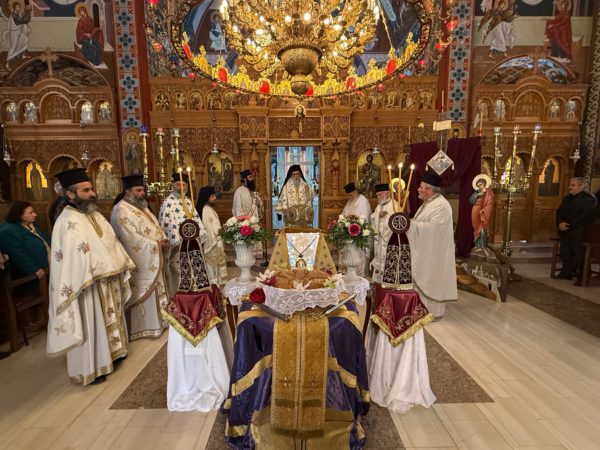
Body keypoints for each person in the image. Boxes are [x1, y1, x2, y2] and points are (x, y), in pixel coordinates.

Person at [46, 168, 135, 385]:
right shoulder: (67, 221)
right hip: (86, 284)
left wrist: (117, 264)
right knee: (90, 322)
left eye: (91, 188)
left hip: (107, 277)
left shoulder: (94, 215)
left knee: (108, 317)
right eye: (86, 190)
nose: (92, 193)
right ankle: (91, 367)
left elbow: (111, 242)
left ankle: (114, 352)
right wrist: (97, 269)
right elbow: (73, 260)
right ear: (70, 194)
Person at [110, 175, 169, 341]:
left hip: (153, 256)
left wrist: (163, 239)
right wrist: (156, 245)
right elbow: (130, 239)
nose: (142, 193)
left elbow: (155, 227)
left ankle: (161, 321)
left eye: (143, 190)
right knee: (144, 289)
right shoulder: (121, 210)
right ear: (127, 192)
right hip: (139, 261)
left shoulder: (142, 207)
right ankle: (145, 327)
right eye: (138, 190)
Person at [406, 173, 457, 319]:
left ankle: (431, 312)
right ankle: (420, 310)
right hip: (426, 251)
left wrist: (411, 224)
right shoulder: (430, 203)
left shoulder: (440, 206)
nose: (418, 189)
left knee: (431, 281)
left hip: (435, 253)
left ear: (429, 190)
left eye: (421, 187)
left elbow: (434, 229)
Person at [159, 173, 207, 296]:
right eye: (178, 185)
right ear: (173, 185)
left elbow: (196, 220)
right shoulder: (168, 202)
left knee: (193, 268)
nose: (181, 188)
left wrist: (199, 236)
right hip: (178, 246)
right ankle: (178, 296)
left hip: (192, 243)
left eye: (184, 185)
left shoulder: (188, 201)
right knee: (178, 270)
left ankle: (193, 292)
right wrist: (176, 242)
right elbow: (167, 224)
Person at [0, 201, 50, 295]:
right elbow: (17, 254)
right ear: (19, 215)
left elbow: (47, 241)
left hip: (48, 269)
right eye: (30, 213)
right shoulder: (8, 230)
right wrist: (34, 269)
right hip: (31, 279)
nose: (35, 215)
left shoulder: (31, 225)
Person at [555, 177, 597, 285]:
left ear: (581, 186)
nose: (569, 187)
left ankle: (583, 276)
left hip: (580, 231)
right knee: (566, 253)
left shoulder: (589, 199)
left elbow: (586, 216)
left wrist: (569, 225)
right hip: (566, 231)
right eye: (570, 184)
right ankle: (566, 273)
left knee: (580, 255)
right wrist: (560, 223)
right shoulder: (567, 198)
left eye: (573, 185)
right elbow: (559, 212)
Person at [197, 185, 228, 285]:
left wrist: (221, 229)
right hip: (212, 242)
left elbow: (214, 225)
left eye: (214, 195)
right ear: (206, 197)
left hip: (216, 240)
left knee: (216, 265)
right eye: (212, 196)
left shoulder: (209, 208)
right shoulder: (205, 210)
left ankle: (217, 285)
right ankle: (214, 285)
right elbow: (207, 228)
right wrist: (212, 242)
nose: (215, 198)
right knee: (213, 266)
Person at [370, 184, 399, 282]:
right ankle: (378, 281)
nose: (378, 197)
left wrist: (387, 215)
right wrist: (378, 215)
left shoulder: (394, 205)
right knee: (379, 259)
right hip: (379, 239)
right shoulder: (379, 206)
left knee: (387, 260)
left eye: (380, 195)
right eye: (377, 195)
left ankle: (387, 281)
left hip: (388, 239)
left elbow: (397, 221)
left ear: (387, 194)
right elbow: (373, 216)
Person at [343, 182, 372, 277]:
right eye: (348, 195)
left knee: (360, 255)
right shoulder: (350, 201)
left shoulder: (363, 202)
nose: (349, 197)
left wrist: (353, 219)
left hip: (360, 235)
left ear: (355, 192)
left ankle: (360, 275)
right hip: (350, 234)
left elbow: (365, 219)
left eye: (350, 195)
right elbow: (344, 214)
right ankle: (350, 274)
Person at [469, 174, 495, 254]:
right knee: (476, 228)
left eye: (480, 185)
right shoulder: (477, 192)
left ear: (484, 184)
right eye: (478, 185)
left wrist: (483, 210)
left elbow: (490, 203)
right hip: (475, 210)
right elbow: (470, 200)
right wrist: (477, 195)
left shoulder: (489, 192)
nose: (479, 187)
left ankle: (483, 246)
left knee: (483, 229)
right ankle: (478, 246)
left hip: (483, 212)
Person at [3, 1, 32, 70]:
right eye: (17, 7)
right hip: (14, 33)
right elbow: (21, 21)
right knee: (13, 47)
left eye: (19, 7)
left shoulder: (18, 14)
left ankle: (23, 55)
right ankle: (7, 63)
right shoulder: (13, 15)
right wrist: (27, 14)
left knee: (25, 40)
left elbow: (22, 21)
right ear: (14, 7)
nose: (18, 8)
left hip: (19, 32)